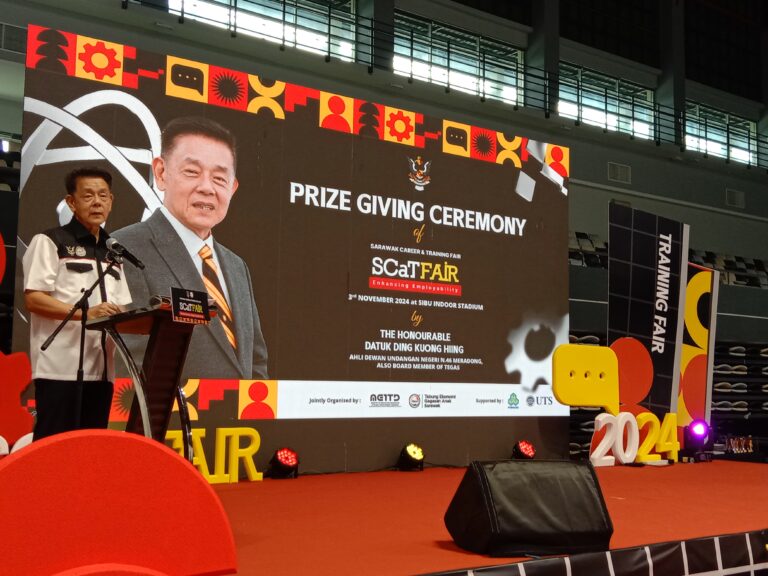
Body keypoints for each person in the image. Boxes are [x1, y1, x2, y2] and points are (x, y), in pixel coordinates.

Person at [113, 116, 268, 379]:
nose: (207, 188)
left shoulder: (236, 265)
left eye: (219, 178)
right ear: (161, 173)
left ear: (232, 188)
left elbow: (256, 360)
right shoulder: (125, 250)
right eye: (192, 172)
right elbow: (129, 363)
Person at [23, 167, 132, 440]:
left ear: (111, 201)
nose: (97, 202)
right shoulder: (50, 241)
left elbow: (122, 305)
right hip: (60, 368)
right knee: (54, 446)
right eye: (88, 196)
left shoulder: (113, 251)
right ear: (71, 202)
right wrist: (86, 313)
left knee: (90, 448)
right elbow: (34, 298)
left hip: (102, 371)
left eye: (103, 196)